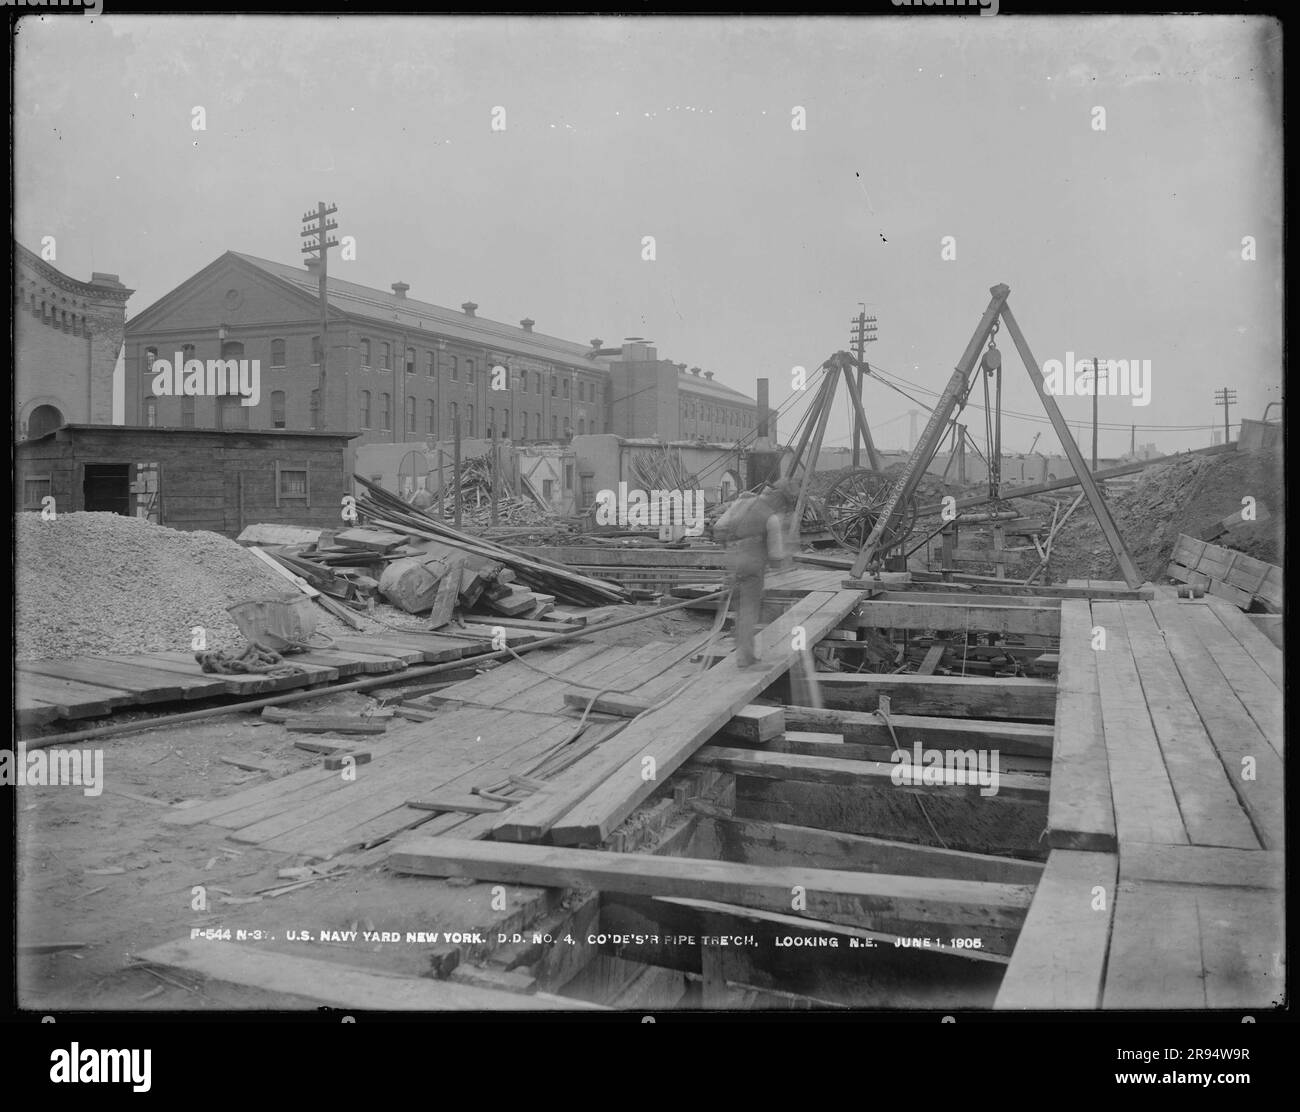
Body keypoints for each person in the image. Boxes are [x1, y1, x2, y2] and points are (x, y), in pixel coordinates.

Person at [719, 479, 797, 669]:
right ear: (779, 501)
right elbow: (776, 555)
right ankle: (745, 658)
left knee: (738, 610)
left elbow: (719, 528)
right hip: (752, 566)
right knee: (749, 611)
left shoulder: (741, 503)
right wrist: (781, 567)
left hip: (732, 562)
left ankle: (742, 652)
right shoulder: (771, 518)